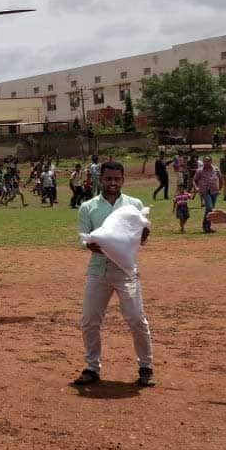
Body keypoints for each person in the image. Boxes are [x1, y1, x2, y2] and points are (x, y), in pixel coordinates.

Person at [73, 161, 154, 387]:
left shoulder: (133, 204)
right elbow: (82, 238)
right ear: (101, 179)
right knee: (90, 320)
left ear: (123, 180)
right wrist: (89, 245)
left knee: (136, 318)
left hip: (126, 271)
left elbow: (140, 238)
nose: (112, 183)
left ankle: (145, 366)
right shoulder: (88, 207)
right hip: (98, 270)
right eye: (108, 179)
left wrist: (144, 233)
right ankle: (91, 367)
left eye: (117, 179)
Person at [193, 156, 221, 233]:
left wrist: (220, 189)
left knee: (210, 209)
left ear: (211, 161)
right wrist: (196, 188)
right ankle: (205, 225)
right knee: (209, 207)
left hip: (214, 191)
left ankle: (207, 227)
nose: (206, 162)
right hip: (204, 191)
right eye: (205, 161)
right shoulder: (200, 170)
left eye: (208, 161)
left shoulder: (216, 169)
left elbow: (221, 179)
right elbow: (194, 180)